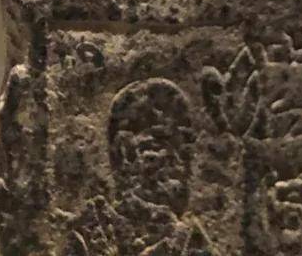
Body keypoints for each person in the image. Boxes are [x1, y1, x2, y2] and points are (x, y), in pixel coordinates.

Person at [64, 80, 212, 255]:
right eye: (163, 145)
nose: (182, 165)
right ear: (124, 153)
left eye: (185, 150)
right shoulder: (91, 237)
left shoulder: (193, 243)